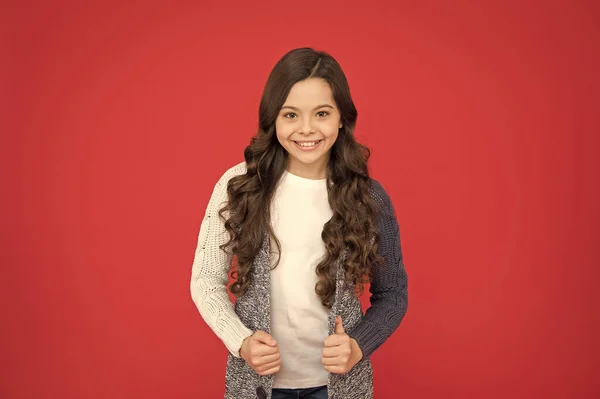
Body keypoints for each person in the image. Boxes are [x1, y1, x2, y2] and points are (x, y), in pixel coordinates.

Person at [190, 47, 408, 399]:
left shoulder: (368, 197)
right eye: (290, 115)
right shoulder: (238, 186)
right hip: (257, 386)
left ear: (341, 117)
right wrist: (241, 341)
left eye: (321, 113)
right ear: (272, 119)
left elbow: (392, 295)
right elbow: (205, 281)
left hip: (339, 387)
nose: (306, 129)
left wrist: (358, 346)